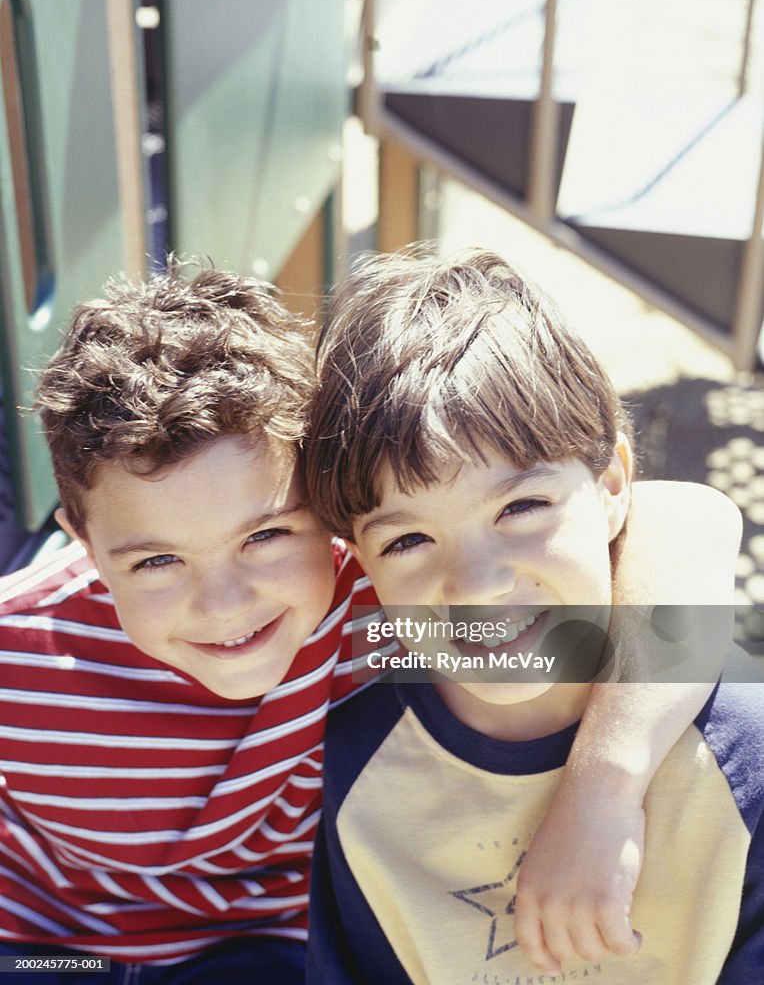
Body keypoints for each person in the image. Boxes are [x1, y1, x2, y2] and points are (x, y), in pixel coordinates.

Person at [0, 261, 740, 981]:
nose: (225, 604)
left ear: (331, 522)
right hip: (48, 949)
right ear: (83, 539)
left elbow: (686, 519)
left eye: (265, 537)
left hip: (272, 950)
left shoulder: (381, 611)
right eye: (156, 561)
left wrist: (602, 788)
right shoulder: (18, 657)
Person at [303, 248, 759, 983]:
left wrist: (605, 787)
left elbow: (693, 515)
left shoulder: (744, 756)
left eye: (520, 507)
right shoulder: (356, 762)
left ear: (612, 484)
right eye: (410, 539)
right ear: (358, 556)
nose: (477, 585)